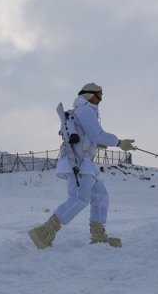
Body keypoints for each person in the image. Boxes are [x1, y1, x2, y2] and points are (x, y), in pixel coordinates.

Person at [28, 82, 135, 249]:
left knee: (100, 196)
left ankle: (98, 236)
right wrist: (120, 142)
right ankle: (45, 232)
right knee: (79, 198)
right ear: (89, 95)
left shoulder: (84, 111)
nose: (100, 99)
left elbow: (89, 137)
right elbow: (97, 134)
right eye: (98, 95)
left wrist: (99, 144)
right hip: (78, 164)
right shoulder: (85, 110)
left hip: (85, 164)